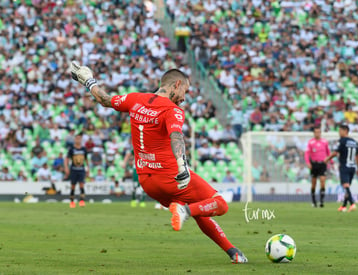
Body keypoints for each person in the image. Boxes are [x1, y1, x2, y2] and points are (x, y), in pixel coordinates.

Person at [70, 62, 247, 263]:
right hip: (171, 176)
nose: (183, 97)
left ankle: (232, 252)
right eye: (184, 91)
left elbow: (105, 99)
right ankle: (184, 210)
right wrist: (182, 165)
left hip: (148, 183)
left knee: (200, 209)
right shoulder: (173, 111)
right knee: (220, 204)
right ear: (176, 84)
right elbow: (176, 136)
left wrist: (88, 80)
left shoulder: (135, 99)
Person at [325, 124, 358, 212]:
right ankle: (344, 206)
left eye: (340, 131)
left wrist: (327, 159)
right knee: (347, 187)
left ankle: (352, 204)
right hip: (352, 167)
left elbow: (335, 153)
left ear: (345, 131)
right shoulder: (354, 142)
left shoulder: (342, 141)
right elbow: (357, 157)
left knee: (346, 186)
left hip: (344, 166)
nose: (339, 132)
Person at [304, 126, 332, 208]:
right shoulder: (310, 142)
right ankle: (313, 201)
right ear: (314, 133)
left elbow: (328, 152)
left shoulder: (325, 142)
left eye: (318, 132)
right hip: (314, 164)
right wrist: (308, 162)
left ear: (320, 133)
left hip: (323, 163)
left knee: (323, 182)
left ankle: (322, 201)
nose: (317, 134)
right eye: (316, 132)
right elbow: (307, 153)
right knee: (314, 183)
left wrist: (331, 161)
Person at [64, 133, 89, 208]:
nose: (78, 140)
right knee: (73, 186)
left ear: (81, 140)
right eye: (77, 138)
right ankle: (72, 202)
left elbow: (86, 159)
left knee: (81, 185)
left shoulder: (83, 149)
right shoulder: (71, 149)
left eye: (79, 138)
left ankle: (81, 201)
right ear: (74, 139)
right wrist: (66, 167)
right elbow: (67, 159)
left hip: (81, 170)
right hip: (73, 170)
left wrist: (88, 169)